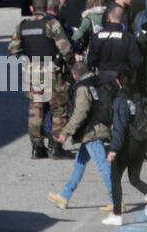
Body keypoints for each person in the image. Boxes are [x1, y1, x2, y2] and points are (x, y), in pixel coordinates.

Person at [8, 0, 73, 159]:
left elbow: (12, 50)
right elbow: (66, 49)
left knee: (36, 109)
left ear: (31, 8)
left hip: (32, 72)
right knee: (59, 109)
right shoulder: (52, 24)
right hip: (51, 71)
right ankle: (56, 146)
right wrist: (72, 66)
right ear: (46, 8)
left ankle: (37, 147)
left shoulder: (22, 26)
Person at [47, 62, 115, 212]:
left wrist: (65, 132)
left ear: (75, 75)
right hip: (96, 128)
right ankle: (64, 196)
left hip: (92, 132)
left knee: (103, 166)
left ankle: (116, 200)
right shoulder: (96, 81)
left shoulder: (83, 87)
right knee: (79, 163)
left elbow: (80, 112)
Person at [104, 71, 147, 224]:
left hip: (126, 145)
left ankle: (117, 215)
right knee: (135, 179)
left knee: (115, 178)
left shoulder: (120, 101)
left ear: (119, 82)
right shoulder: (140, 99)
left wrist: (113, 149)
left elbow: (119, 127)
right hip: (140, 144)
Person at [87, 3, 142, 81]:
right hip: (123, 79)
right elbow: (136, 61)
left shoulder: (97, 37)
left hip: (103, 79)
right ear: (123, 18)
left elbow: (91, 60)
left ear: (108, 16)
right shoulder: (128, 38)